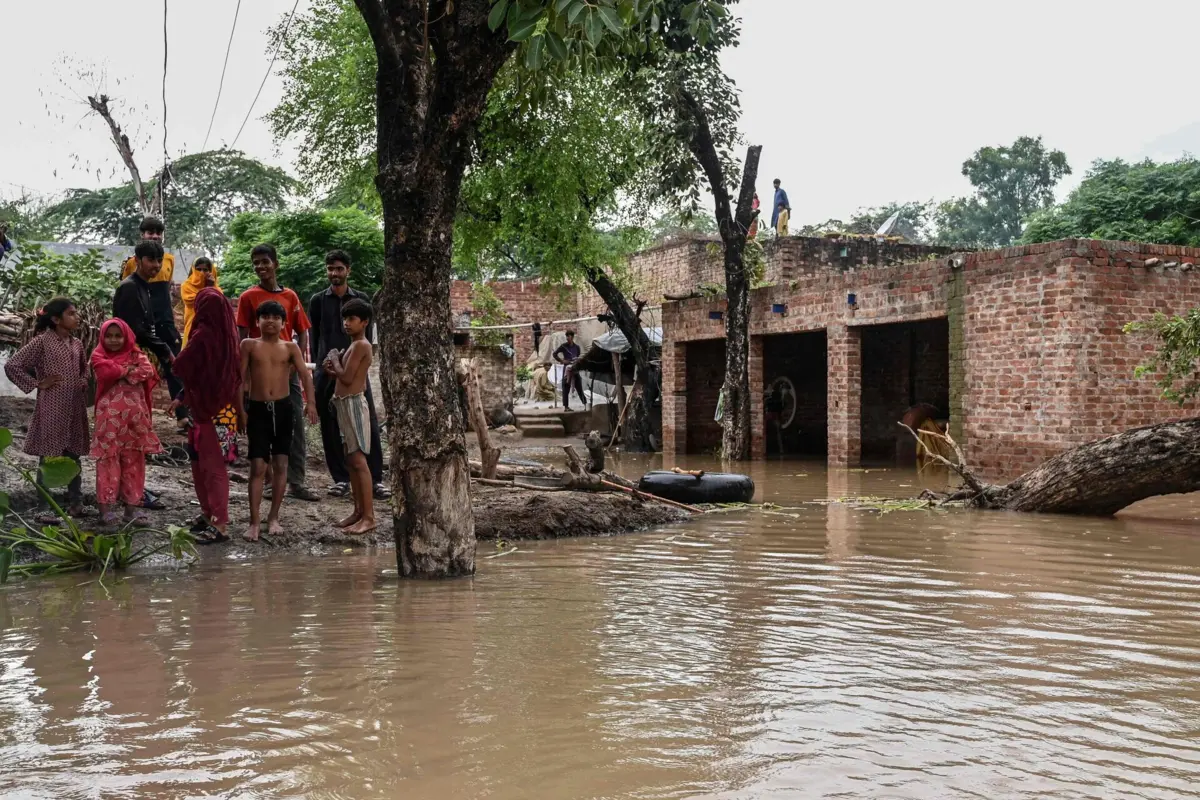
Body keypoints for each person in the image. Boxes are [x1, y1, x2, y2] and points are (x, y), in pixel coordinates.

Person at [234, 244, 319, 501]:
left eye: (264, 262)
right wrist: (245, 375)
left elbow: (302, 330)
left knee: (294, 426)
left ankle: (297, 482)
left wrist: (297, 362)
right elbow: (241, 334)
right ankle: (269, 481)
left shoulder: (291, 297)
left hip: (287, 372)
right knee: (261, 426)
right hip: (260, 372)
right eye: (256, 263)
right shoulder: (248, 297)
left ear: (275, 264)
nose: (260, 267)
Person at [308, 250, 388, 499]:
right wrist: (321, 369)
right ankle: (341, 479)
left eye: (339, 268)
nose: (335, 273)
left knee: (369, 424)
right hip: (326, 371)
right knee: (330, 427)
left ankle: (375, 479)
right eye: (331, 268)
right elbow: (315, 338)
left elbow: (368, 340)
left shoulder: (361, 300)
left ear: (348, 270)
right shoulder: (318, 301)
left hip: (354, 373)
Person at [238, 300, 318, 541]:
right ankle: (253, 521)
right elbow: (240, 380)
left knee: (281, 464)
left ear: (284, 323)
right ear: (257, 321)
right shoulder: (249, 345)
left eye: (275, 317)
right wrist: (241, 411)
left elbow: (305, 375)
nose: (270, 321)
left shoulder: (290, 347)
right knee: (258, 467)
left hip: (284, 409)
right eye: (265, 317)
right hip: (258, 409)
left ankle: (273, 517)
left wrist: (310, 403)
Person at [3, 298, 89, 522]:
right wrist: (37, 384)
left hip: (74, 406)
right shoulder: (42, 342)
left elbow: (85, 370)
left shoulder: (77, 344)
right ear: (55, 319)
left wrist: (82, 381)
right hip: (52, 406)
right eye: (71, 313)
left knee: (73, 454)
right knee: (49, 456)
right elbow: (13, 365)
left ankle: (76, 503)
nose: (76, 317)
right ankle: (43, 507)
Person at [174, 287, 241, 544]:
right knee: (209, 466)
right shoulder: (229, 338)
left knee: (206, 468)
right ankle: (210, 515)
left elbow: (181, 365)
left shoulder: (201, 335)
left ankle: (220, 524)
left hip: (204, 410)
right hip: (224, 411)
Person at [89, 318, 162, 526]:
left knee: (134, 463)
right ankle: (106, 511)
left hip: (135, 420)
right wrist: (127, 369)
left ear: (126, 336)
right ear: (103, 337)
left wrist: (120, 371)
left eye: (118, 336)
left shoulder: (136, 352)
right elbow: (106, 372)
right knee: (107, 461)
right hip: (109, 421)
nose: (113, 340)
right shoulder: (98, 354)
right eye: (109, 336)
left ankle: (131, 511)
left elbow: (147, 370)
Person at [120, 217, 186, 425]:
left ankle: (183, 415)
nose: (155, 235)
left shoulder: (169, 259)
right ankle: (132, 414)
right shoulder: (131, 264)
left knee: (175, 364)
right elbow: (129, 295)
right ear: (142, 235)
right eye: (150, 232)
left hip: (164, 318)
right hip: (142, 323)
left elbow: (166, 289)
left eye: (158, 232)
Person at [322, 298, 376, 535]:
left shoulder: (362, 345)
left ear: (364, 322)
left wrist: (334, 358)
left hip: (354, 405)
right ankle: (357, 511)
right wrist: (331, 368)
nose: (346, 323)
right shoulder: (354, 345)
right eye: (345, 318)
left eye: (352, 319)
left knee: (358, 461)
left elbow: (347, 378)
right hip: (344, 405)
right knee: (350, 460)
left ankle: (369, 517)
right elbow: (344, 377)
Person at [181, 257, 238, 463]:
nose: (203, 273)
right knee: (197, 387)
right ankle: (197, 437)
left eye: (207, 269)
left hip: (217, 347)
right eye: (199, 269)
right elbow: (197, 301)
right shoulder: (188, 287)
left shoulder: (218, 291)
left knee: (219, 388)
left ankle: (224, 446)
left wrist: (213, 287)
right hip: (193, 339)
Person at [553, 330, 588, 411]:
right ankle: (566, 407)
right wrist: (562, 361)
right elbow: (554, 354)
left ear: (572, 337)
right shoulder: (564, 346)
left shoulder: (577, 347)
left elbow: (578, 356)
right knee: (565, 387)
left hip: (575, 368)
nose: (567, 338)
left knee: (579, 386)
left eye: (569, 336)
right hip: (567, 369)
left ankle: (585, 404)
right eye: (567, 336)